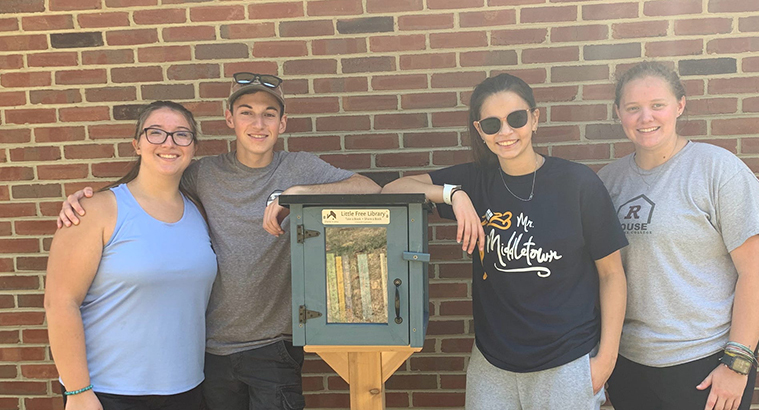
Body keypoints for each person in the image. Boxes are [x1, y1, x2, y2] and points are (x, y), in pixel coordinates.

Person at [58, 73, 382, 410]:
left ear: (283, 123)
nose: (258, 123)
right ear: (229, 119)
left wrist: (297, 194)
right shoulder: (204, 174)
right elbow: (152, 180)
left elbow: (369, 188)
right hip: (209, 351)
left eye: (269, 114)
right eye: (246, 112)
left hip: (274, 347)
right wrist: (88, 201)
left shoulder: (299, 168)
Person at [382, 73, 628, 410]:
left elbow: (611, 274)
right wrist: (453, 195)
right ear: (480, 131)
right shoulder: (474, 181)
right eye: (492, 124)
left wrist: (605, 360)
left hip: (566, 361)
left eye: (516, 118)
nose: (506, 132)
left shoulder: (577, 183)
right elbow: (392, 190)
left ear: (535, 118)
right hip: (492, 364)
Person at [598, 61, 759, 410]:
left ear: (679, 105)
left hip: (704, 365)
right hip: (630, 364)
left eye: (657, 105)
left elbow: (757, 271)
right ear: (619, 113)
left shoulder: (718, 170)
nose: (645, 117)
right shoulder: (607, 183)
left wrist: (737, 364)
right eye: (633, 108)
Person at [45, 101, 218, 410]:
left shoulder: (200, 212)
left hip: (188, 389)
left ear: (193, 148)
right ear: (136, 144)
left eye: (182, 134)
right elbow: (60, 303)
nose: (169, 142)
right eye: (156, 133)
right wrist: (78, 391)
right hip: (109, 393)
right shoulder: (96, 211)